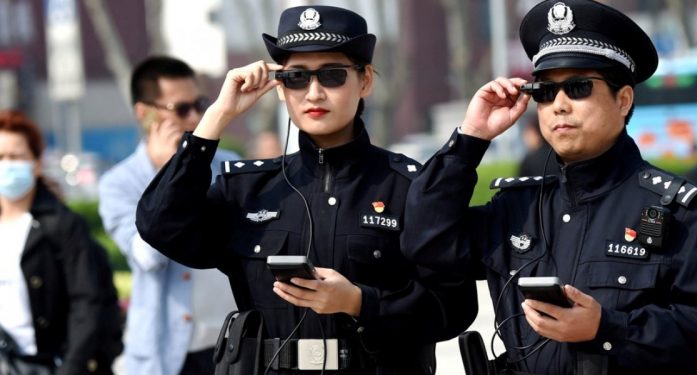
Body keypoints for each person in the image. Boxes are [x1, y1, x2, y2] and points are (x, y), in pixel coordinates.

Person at [402, 1, 697, 374]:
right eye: (545, 92)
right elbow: (425, 243)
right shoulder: (516, 208)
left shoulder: (679, 210)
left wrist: (606, 328)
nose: (560, 105)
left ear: (623, 99)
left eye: (579, 87)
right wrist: (470, 139)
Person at [136, 5, 477, 374]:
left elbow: (453, 307)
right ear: (280, 89)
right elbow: (160, 225)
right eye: (296, 77)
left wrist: (361, 302)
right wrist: (215, 119)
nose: (313, 93)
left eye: (331, 75)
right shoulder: (248, 189)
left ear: (365, 81)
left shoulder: (410, 186)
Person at [98, 56, 238, 375]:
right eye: (181, 109)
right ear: (144, 114)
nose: (196, 119)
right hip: (166, 354)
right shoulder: (119, 183)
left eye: (200, 105)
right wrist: (169, 175)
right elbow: (148, 258)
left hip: (231, 343)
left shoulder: (228, 164)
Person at [0, 110, 122, 375]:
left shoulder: (62, 224)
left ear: (35, 163)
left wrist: (72, 367)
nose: (7, 164)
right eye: (0, 157)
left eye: (16, 156)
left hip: (52, 364)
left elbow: (87, 301)